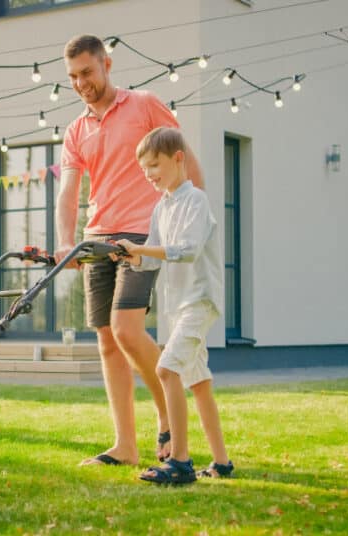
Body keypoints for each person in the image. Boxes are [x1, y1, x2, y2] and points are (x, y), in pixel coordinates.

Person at [55, 34, 204, 466]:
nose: (81, 82)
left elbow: (185, 159)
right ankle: (125, 445)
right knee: (107, 341)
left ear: (107, 64)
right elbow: (68, 192)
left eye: (87, 72)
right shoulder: (76, 130)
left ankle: (167, 416)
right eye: (73, 77)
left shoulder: (144, 105)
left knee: (127, 330)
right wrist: (67, 241)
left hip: (143, 234)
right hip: (97, 237)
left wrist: (197, 214)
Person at [115, 127, 232, 484]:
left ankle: (180, 462)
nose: (149, 174)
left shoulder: (195, 201)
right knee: (199, 384)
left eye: (154, 165)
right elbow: (152, 259)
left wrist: (141, 250)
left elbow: (186, 250)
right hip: (178, 306)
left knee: (166, 370)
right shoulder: (161, 206)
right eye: (144, 169)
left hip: (199, 300)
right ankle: (222, 463)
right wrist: (128, 257)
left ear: (177, 158)